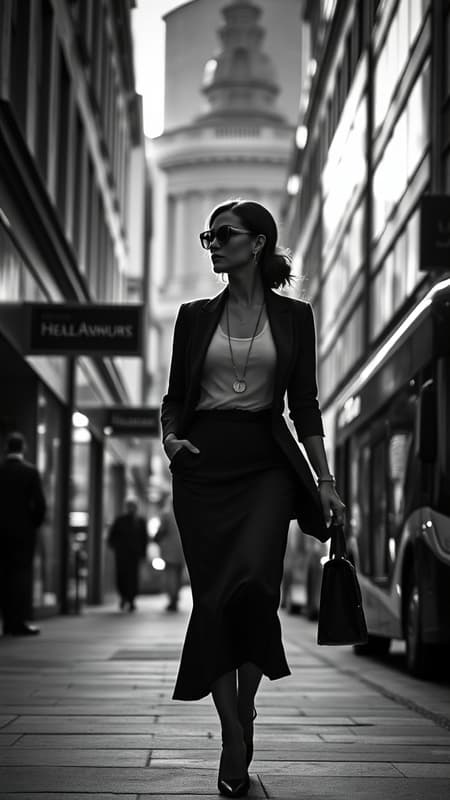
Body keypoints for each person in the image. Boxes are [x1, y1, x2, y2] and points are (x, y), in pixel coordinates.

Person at [161, 199, 345, 798]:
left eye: (223, 235)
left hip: (266, 463)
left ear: (257, 243)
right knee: (215, 596)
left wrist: (324, 480)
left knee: (257, 589)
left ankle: (247, 707)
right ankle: (233, 733)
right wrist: (170, 440)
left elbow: (306, 405)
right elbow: (174, 398)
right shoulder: (192, 317)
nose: (212, 244)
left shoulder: (295, 317)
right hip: (203, 464)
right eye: (207, 236)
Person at [0, 431, 46, 636]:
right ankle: (16, 622)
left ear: (6, 448)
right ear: (23, 448)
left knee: (3, 575)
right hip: (22, 535)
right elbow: (40, 505)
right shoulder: (30, 472)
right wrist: (31, 525)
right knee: (20, 576)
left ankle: (4, 619)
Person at [108, 498, 148, 611]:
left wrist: (143, 554)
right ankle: (124, 597)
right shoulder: (120, 520)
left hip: (134, 555)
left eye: (133, 507)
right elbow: (112, 537)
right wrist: (117, 547)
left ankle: (131, 599)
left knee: (133, 578)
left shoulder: (140, 521)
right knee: (122, 576)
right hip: (122, 554)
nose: (132, 509)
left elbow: (144, 539)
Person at [155, 494, 185, 612]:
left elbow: (162, 530)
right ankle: (176, 598)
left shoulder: (166, 514)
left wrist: (156, 539)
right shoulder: (184, 513)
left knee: (171, 575)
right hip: (181, 550)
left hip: (169, 550)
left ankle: (172, 599)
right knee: (178, 575)